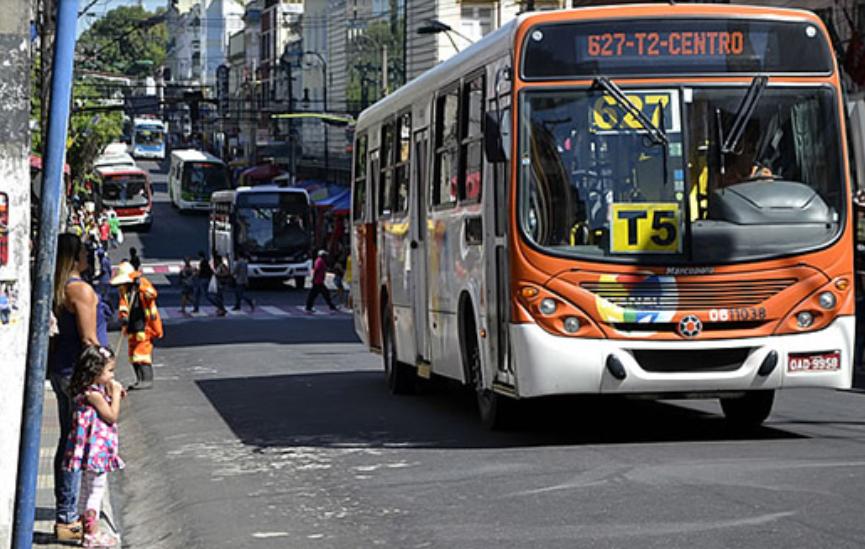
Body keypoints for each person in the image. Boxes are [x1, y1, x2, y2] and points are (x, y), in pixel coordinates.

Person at [48, 233, 110, 542]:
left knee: (66, 441)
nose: (89, 256)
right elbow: (89, 340)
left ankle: (67, 513)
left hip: (62, 370)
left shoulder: (59, 289)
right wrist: (104, 376)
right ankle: (69, 516)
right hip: (78, 375)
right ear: (75, 258)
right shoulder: (80, 290)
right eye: (85, 252)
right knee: (75, 446)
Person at [64, 345, 125, 548]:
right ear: (95, 371)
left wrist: (110, 392)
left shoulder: (89, 390)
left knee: (86, 489)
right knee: (96, 490)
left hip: (88, 450)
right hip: (96, 451)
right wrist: (115, 395)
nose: (112, 375)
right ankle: (92, 534)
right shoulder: (94, 394)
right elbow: (111, 416)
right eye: (109, 371)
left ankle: (86, 532)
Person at [111, 261, 163, 390]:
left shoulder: (142, 283)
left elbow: (152, 294)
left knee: (142, 353)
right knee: (132, 354)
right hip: (131, 325)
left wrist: (141, 287)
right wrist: (123, 317)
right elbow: (123, 304)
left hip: (144, 325)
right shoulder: (124, 289)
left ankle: (146, 379)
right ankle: (139, 379)